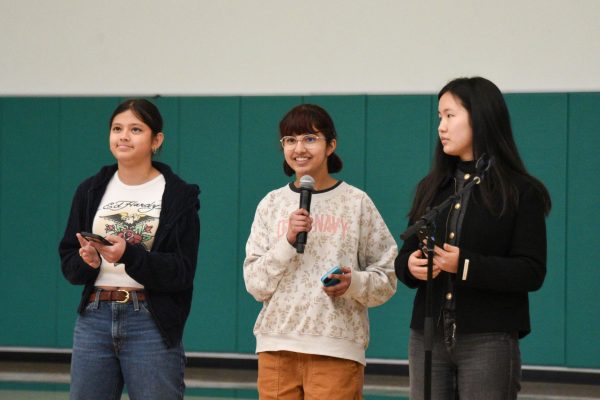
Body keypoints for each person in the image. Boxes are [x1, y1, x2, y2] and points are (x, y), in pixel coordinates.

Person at [395, 77, 552, 400]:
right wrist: (410, 266)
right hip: (427, 337)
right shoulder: (433, 186)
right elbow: (404, 257)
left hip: (489, 339)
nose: (441, 126)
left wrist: (463, 265)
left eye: (450, 116)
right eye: (440, 116)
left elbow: (531, 271)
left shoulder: (521, 191)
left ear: (480, 117)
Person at [243, 104, 398, 399]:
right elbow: (255, 284)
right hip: (277, 346)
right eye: (290, 140)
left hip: (336, 348)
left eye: (310, 138)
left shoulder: (356, 202)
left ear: (331, 145)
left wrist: (353, 283)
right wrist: (287, 241)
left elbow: (388, 277)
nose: (299, 148)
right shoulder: (271, 203)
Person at [58, 99, 200, 400]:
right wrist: (87, 261)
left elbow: (181, 272)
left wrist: (129, 256)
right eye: (117, 128)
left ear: (156, 140)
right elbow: (69, 261)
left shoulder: (178, 195)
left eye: (136, 129)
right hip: (94, 317)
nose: (123, 136)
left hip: (150, 318)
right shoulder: (90, 189)